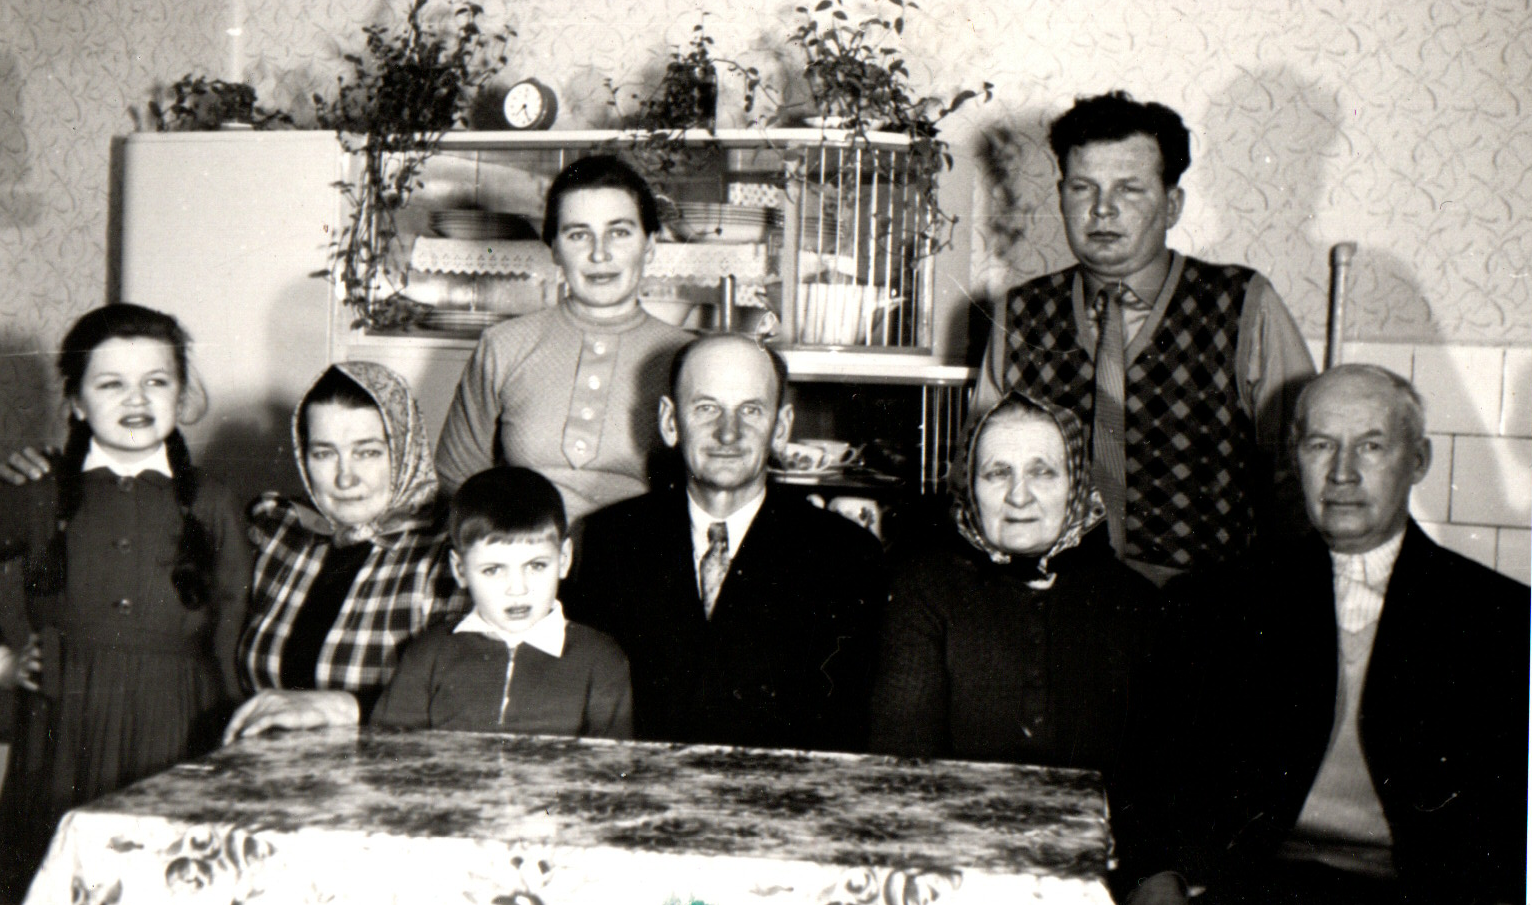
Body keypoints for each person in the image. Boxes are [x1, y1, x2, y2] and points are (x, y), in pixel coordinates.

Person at [1135, 364, 1528, 905]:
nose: (1342, 473)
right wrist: (1153, 877)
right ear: (1295, 458)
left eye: (1371, 447)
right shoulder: (1214, 603)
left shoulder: (1502, 619)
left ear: (1418, 460)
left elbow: (1510, 832)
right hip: (1244, 889)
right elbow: (1149, 773)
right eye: (1321, 445)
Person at [974, 91, 1315, 585]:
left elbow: (1300, 478)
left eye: (1129, 190)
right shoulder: (1020, 313)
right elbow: (981, 476)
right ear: (1061, 195)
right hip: (1056, 601)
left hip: (1203, 604)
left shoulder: (1244, 305)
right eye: (1083, 189)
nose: (1102, 210)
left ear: (1172, 205)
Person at [868, 388, 1166, 896]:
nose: (1019, 496)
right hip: (956, 870)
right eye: (997, 473)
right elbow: (903, 766)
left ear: (1077, 484)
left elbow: (1158, 778)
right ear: (969, 485)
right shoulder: (924, 590)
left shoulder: (1135, 603)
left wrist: (1155, 873)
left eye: (1043, 472)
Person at [0, 304, 251, 894]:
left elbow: (234, 623)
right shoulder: (33, 490)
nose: (135, 399)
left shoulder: (213, 501)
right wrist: (5, 664)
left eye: (156, 381)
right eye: (110, 384)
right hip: (63, 722)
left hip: (178, 722)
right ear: (75, 401)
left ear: (182, 395)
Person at [563, 333, 887, 752]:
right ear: (670, 422)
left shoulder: (844, 554)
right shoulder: (610, 540)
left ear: (781, 428)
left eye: (750, 410)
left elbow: (845, 729)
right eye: (706, 408)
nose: (728, 433)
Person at [434, 154, 691, 523]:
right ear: (554, 248)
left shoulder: (686, 356)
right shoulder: (503, 346)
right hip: (522, 552)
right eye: (578, 234)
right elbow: (457, 479)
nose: (599, 253)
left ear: (650, 243)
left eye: (619, 232)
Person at [222, 362, 469, 741]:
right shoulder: (278, 534)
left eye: (367, 453)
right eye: (324, 453)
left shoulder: (450, 554)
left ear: (406, 450)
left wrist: (344, 707)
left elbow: (474, 698)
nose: (345, 477)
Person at [370, 466, 632, 737]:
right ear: (460, 570)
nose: (518, 589)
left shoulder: (600, 660)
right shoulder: (428, 654)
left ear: (564, 559)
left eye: (536, 565)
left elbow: (611, 760)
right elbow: (390, 749)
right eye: (493, 570)